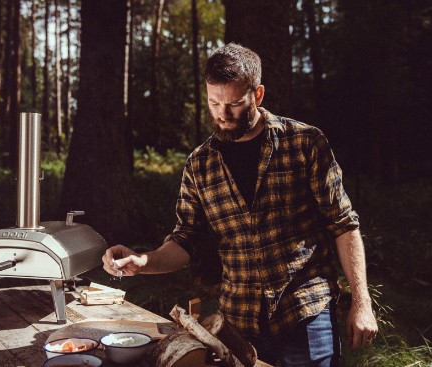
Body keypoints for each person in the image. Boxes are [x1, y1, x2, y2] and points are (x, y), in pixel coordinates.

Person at [103, 43, 378, 366]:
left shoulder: (305, 143)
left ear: (257, 95)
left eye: (234, 104)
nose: (222, 114)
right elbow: (185, 239)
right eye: (214, 103)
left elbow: (343, 224)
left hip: (306, 313)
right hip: (238, 324)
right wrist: (143, 261)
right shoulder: (199, 164)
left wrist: (362, 301)